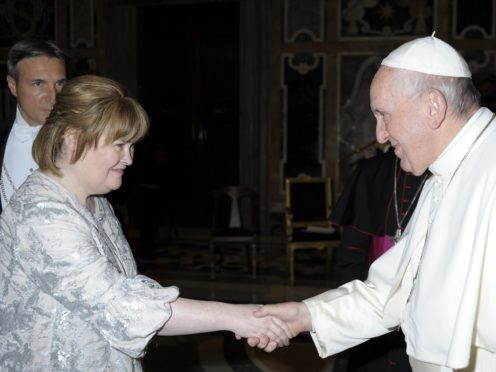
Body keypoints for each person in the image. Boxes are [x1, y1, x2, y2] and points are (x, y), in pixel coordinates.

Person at [0, 75, 292, 371]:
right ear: (73, 138)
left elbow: (129, 292)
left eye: (132, 145)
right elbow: (126, 308)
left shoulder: (95, 203)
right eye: (120, 144)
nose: (129, 158)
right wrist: (236, 317)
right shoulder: (41, 215)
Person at [252, 34, 496, 371]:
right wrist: (306, 315)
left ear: (433, 107)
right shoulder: (444, 172)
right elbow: (392, 292)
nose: (379, 135)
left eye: (384, 115)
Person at [330, 146, 427, 372]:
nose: (380, 135)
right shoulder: (371, 172)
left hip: (423, 314)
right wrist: (348, 314)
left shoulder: (450, 174)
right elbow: (351, 253)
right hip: (371, 306)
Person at [0, 37, 67, 211]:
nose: (53, 97)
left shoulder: (85, 140)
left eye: (59, 84)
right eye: (38, 83)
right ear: (13, 85)